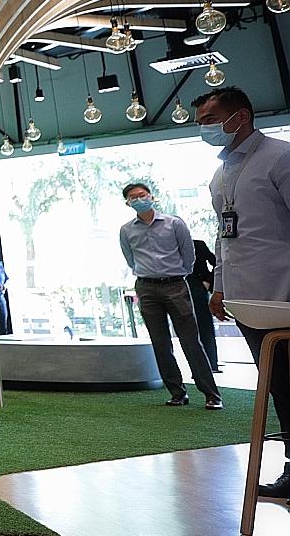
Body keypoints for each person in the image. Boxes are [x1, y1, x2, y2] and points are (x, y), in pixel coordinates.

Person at [195, 86, 290, 498]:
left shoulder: (280, 157)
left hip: (285, 294)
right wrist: (219, 288)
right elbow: (224, 238)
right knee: (279, 387)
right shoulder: (222, 173)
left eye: (210, 121)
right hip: (249, 302)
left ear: (241, 117)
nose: (205, 130)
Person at [117, 183, 222, 409]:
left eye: (142, 195)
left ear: (151, 196)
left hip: (175, 285)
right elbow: (130, 259)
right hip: (146, 287)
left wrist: (177, 274)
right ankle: (177, 393)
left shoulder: (174, 223)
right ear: (128, 203)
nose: (138, 199)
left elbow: (188, 256)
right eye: (133, 197)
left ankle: (211, 394)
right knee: (160, 343)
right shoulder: (126, 230)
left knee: (190, 341)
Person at [187, 239, 221, 373]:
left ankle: (211, 364)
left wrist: (207, 281)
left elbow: (217, 263)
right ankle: (199, 367)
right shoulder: (167, 246)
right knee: (189, 329)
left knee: (204, 326)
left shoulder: (197, 245)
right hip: (179, 285)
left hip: (196, 287)